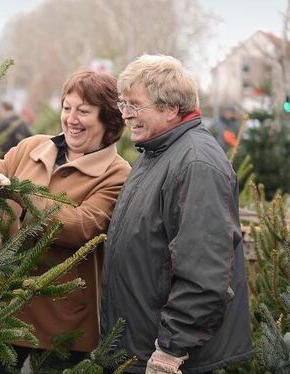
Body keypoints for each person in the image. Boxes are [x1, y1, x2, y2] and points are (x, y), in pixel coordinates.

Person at [99, 55, 253, 373]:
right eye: (123, 104)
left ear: (171, 108)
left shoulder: (196, 164)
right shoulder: (156, 151)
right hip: (135, 348)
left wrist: (170, 350)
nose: (125, 115)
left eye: (135, 105)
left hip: (168, 359)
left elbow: (205, 271)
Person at [0, 69, 131, 371]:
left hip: (63, 320)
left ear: (109, 120)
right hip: (3, 304)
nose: (71, 119)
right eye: (67, 107)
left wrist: (20, 194)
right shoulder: (31, 148)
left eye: (84, 111)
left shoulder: (116, 173)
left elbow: (80, 227)